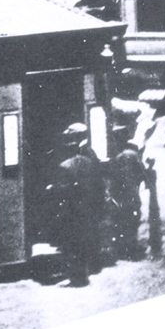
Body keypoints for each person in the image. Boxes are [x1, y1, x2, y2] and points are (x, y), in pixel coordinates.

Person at [48, 122, 104, 286]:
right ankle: (87, 268)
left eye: (71, 135)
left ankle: (83, 272)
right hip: (88, 204)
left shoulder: (85, 153)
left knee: (77, 239)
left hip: (79, 206)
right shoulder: (87, 154)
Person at [105, 130, 146, 262]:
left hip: (121, 196)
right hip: (133, 194)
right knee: (132, 221)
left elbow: (113, 177)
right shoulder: (134, 155)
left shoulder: (118, 159)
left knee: (121, 221)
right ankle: (131, 248)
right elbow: (142, 174)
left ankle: (124, 249)